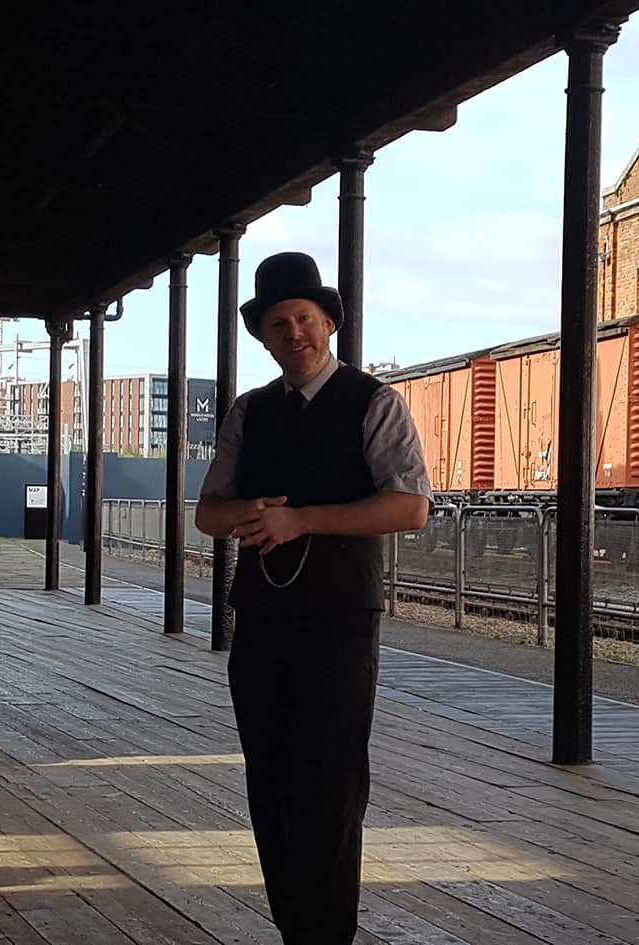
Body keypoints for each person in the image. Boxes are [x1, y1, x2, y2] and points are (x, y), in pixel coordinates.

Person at [195, 252, 432, 945]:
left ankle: (326, 935)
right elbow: (208, 513)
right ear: (264, 338)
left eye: (303, 318)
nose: (293, 332)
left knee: (329, 783)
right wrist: (249, 512)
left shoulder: (375, 403)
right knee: (269, 782)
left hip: (338, 621)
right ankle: (296, 929)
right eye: (278, 324)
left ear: (328, 323)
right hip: (261, 620)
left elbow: (411, 506)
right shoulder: (249, 411)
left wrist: (301, 520)